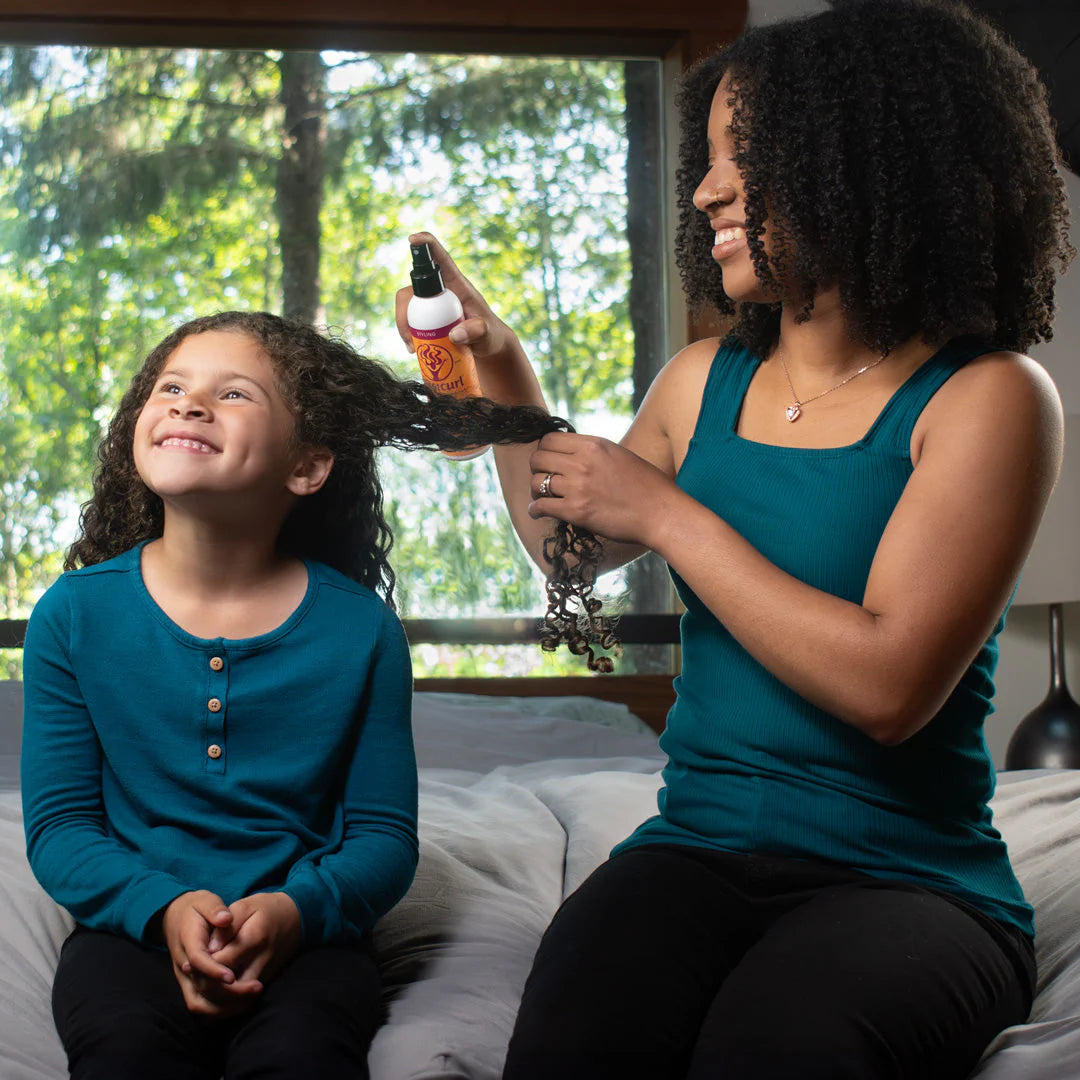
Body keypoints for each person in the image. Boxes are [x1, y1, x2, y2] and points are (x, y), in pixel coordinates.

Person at [395, 0, 1074, 1075]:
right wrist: (506, 375)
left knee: (776, 1045)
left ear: (866, 161)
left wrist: (666, 513)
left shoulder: (989, 399)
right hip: (694, 851)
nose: (707, 187)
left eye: (744, 156)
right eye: (707, 160)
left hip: (910, 882)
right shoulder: (705, 379)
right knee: (576, 1043)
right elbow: (567, 546)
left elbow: (890, 688)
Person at [20, 310, 598, 1080]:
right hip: (128, 934)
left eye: (233, 394)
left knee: (302, 1058)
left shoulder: (361, 632)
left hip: (311, 941)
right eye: (172, 387)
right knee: (125, 1053)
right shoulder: (72, 615)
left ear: (308, 467)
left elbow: (383, 839)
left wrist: (296, 913)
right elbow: (61, 829)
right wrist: (161, 908)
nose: (190, 405)